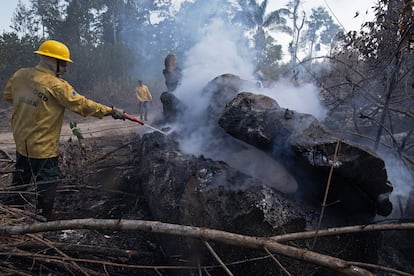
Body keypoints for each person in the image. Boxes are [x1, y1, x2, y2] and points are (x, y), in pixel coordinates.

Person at [2, 39, 125, 220]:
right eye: (64, 63)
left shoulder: (20, 75)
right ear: (54, 62)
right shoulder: (57, 86)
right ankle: (44, 216)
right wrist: (111, 111)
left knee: (22, 174)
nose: (66, 67)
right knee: (48, 178)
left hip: (21, 141)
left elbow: (8, 96)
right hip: (44, 147)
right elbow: (83, 105)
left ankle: (13, 208)